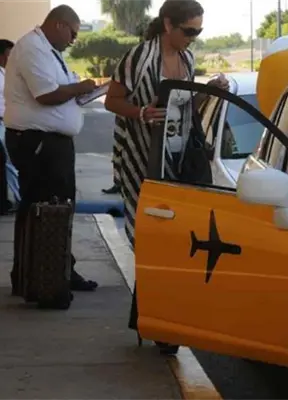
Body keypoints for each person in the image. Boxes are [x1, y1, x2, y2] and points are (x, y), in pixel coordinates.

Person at [104, 0, 228, 340]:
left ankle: (164, 323)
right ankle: (155, 322)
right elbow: (112, 100)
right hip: (145, 160)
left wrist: (209, 93)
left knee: (176, 243)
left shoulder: (187, 59)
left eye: (198, 31)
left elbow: (185, 108)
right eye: (189, 31)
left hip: (179, 158)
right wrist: (141, 112)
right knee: (152, 241)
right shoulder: (139, 58)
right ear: (168, 24)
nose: (193, 38)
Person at [4, 5, 99, 295]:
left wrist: (80, 92)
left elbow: (59, 91)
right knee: (45, 208)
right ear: (59, 25)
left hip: (51, 142)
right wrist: (80, 87)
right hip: (38, 142)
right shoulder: (32, 48)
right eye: (73, 33)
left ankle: (54, 270)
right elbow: (46, 95)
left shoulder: (49, 51)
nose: (73, 40)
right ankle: (39, 276)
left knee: (53, 208)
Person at [0, 39, 20, 210]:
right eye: (9, 55)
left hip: (8, 122)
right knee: (10, 163)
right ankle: (22, 197)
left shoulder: (6, 74)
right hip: (1, 122)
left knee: (10, 163)